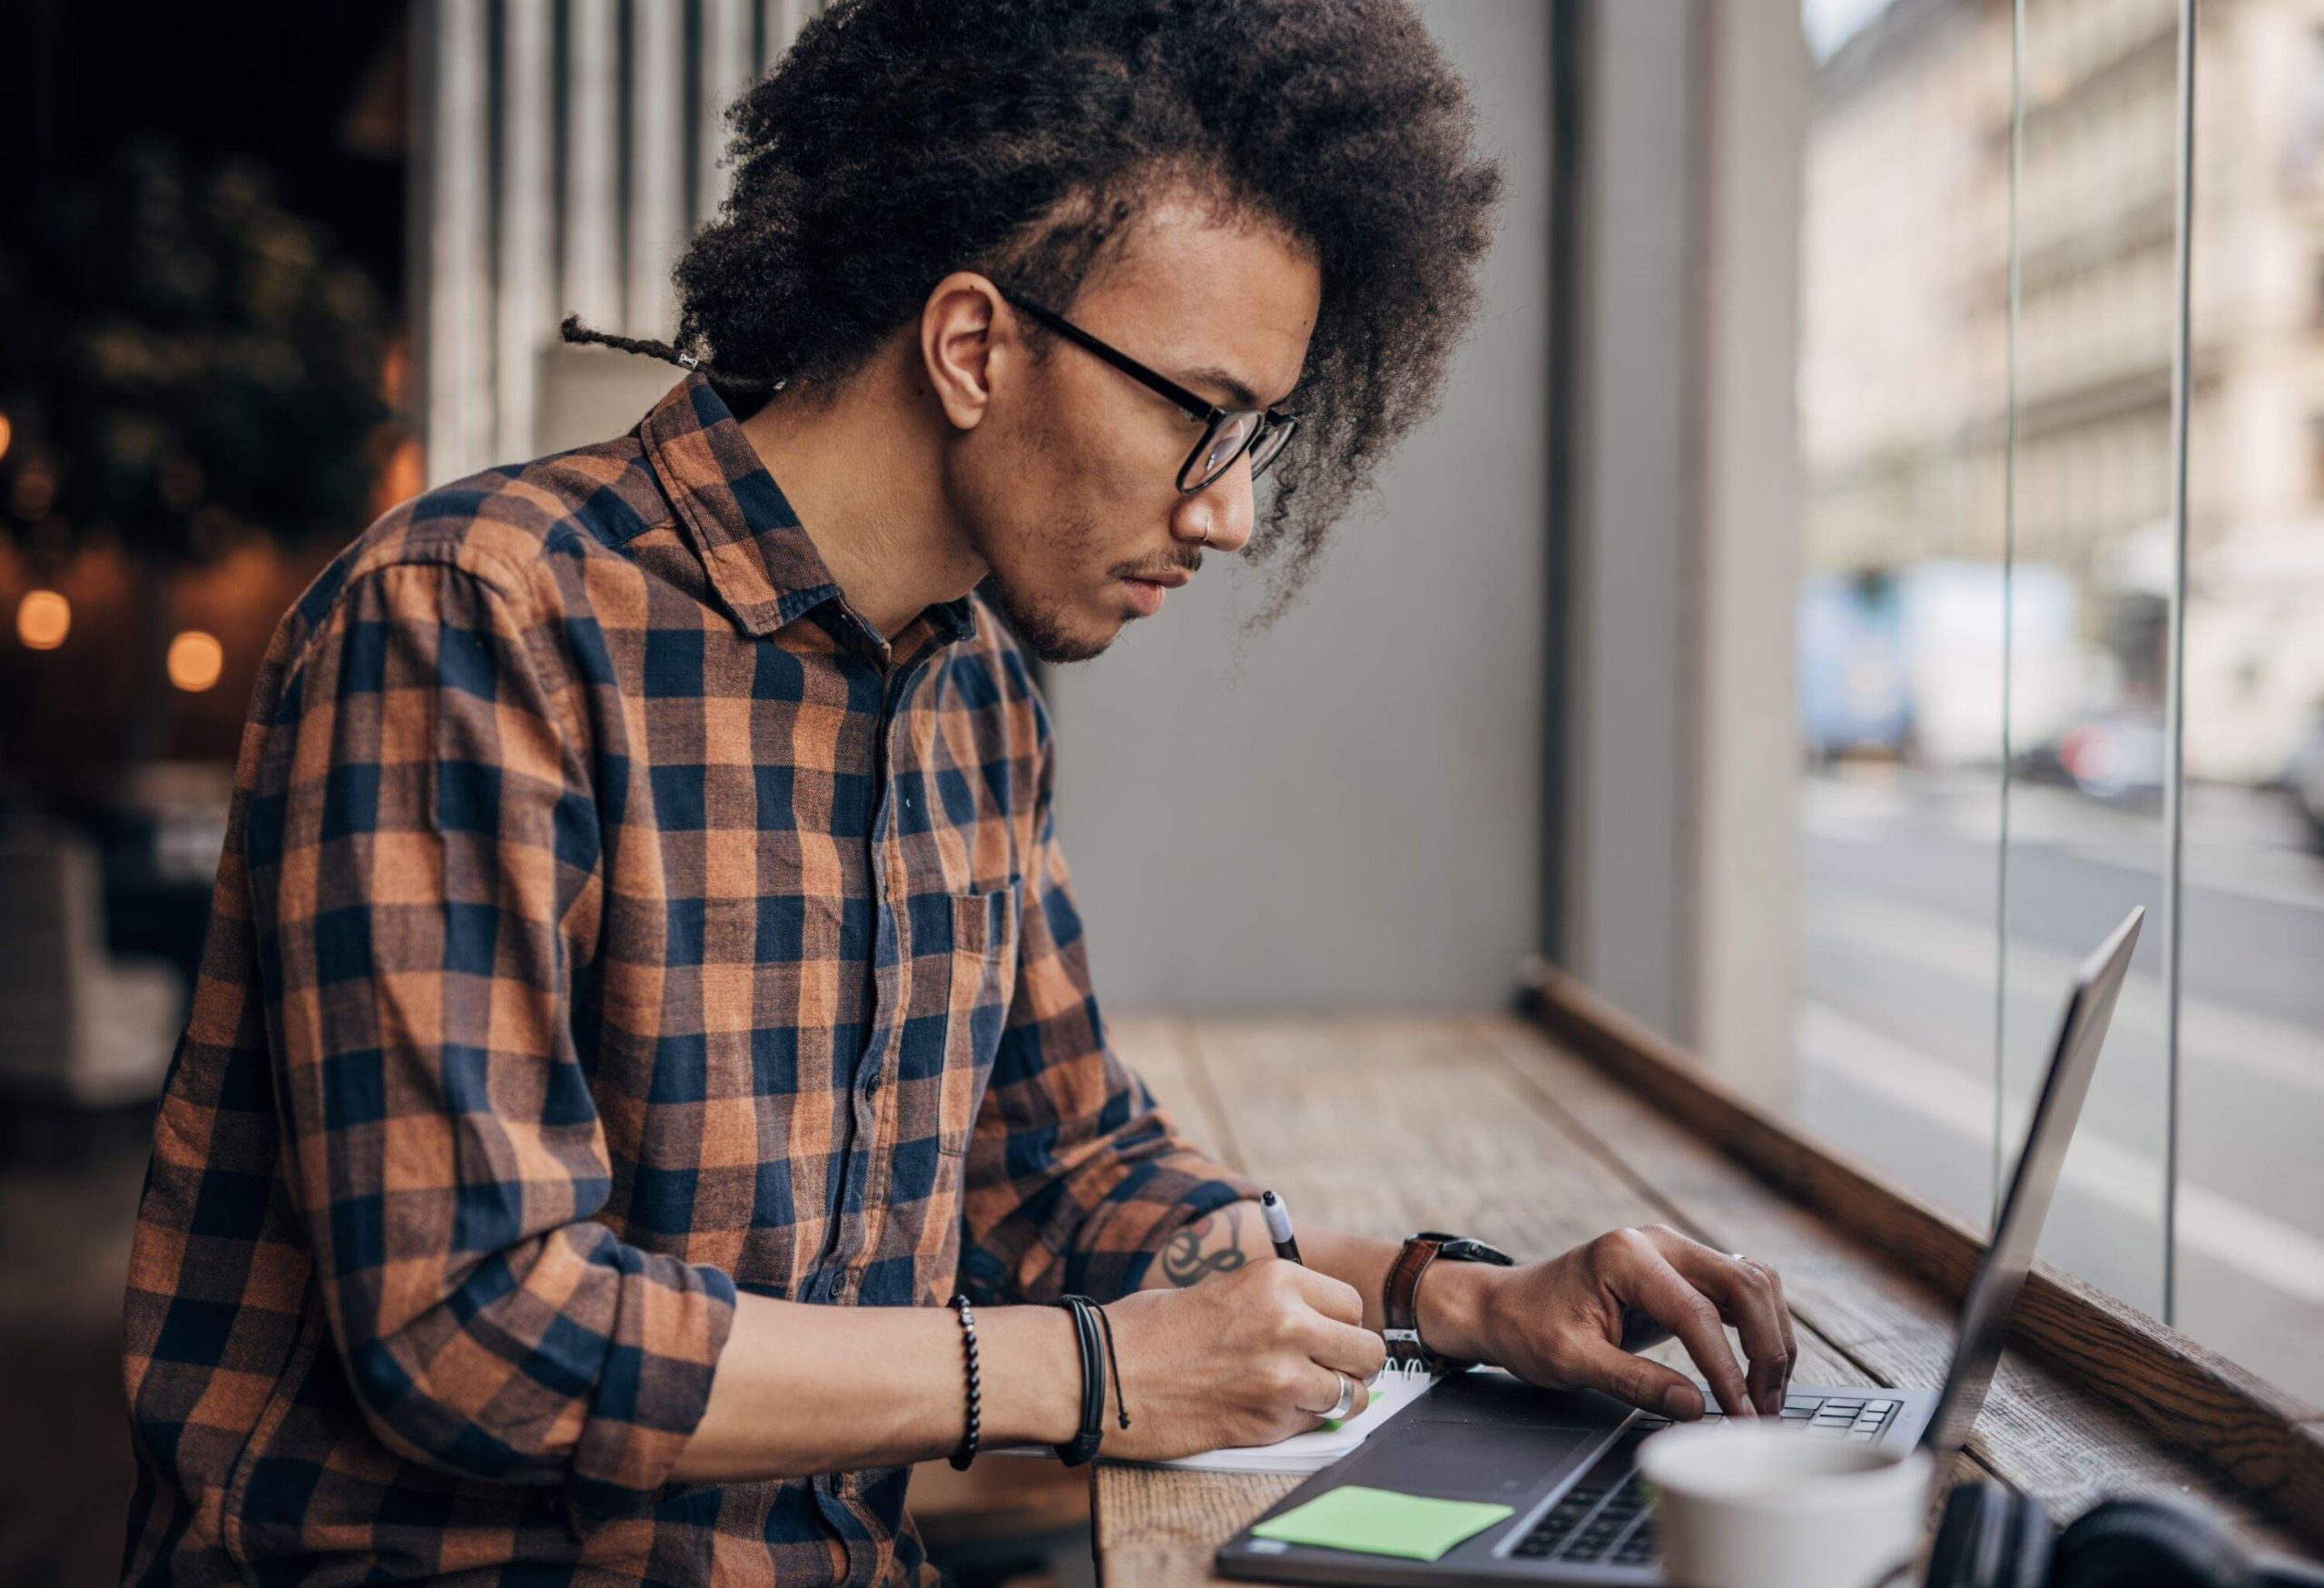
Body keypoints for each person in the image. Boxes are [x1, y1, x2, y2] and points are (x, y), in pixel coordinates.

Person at [118, 1, 1797, 1582]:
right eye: (1204, 418)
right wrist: (1084, 1374)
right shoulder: (474, 617)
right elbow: (471, 1327)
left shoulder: (973, 697)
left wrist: (1460, 1301)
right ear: (977, 344)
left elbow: (1069, 1174)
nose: (1226, 516)